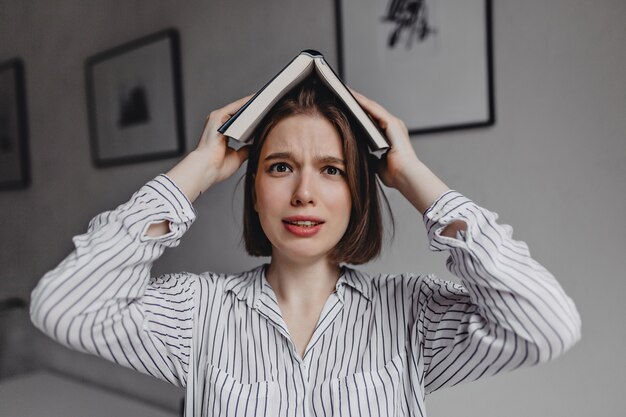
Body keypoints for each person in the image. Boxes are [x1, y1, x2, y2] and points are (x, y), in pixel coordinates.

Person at [30, 79, 581, 417]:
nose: (303, 194)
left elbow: (547, 327)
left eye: (332, 170)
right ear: (255, 189)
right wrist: (192, 173)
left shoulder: (413, 316)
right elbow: (65, 307)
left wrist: (413, 175)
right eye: (280, 167)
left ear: (358, 190)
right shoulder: (197, 315)